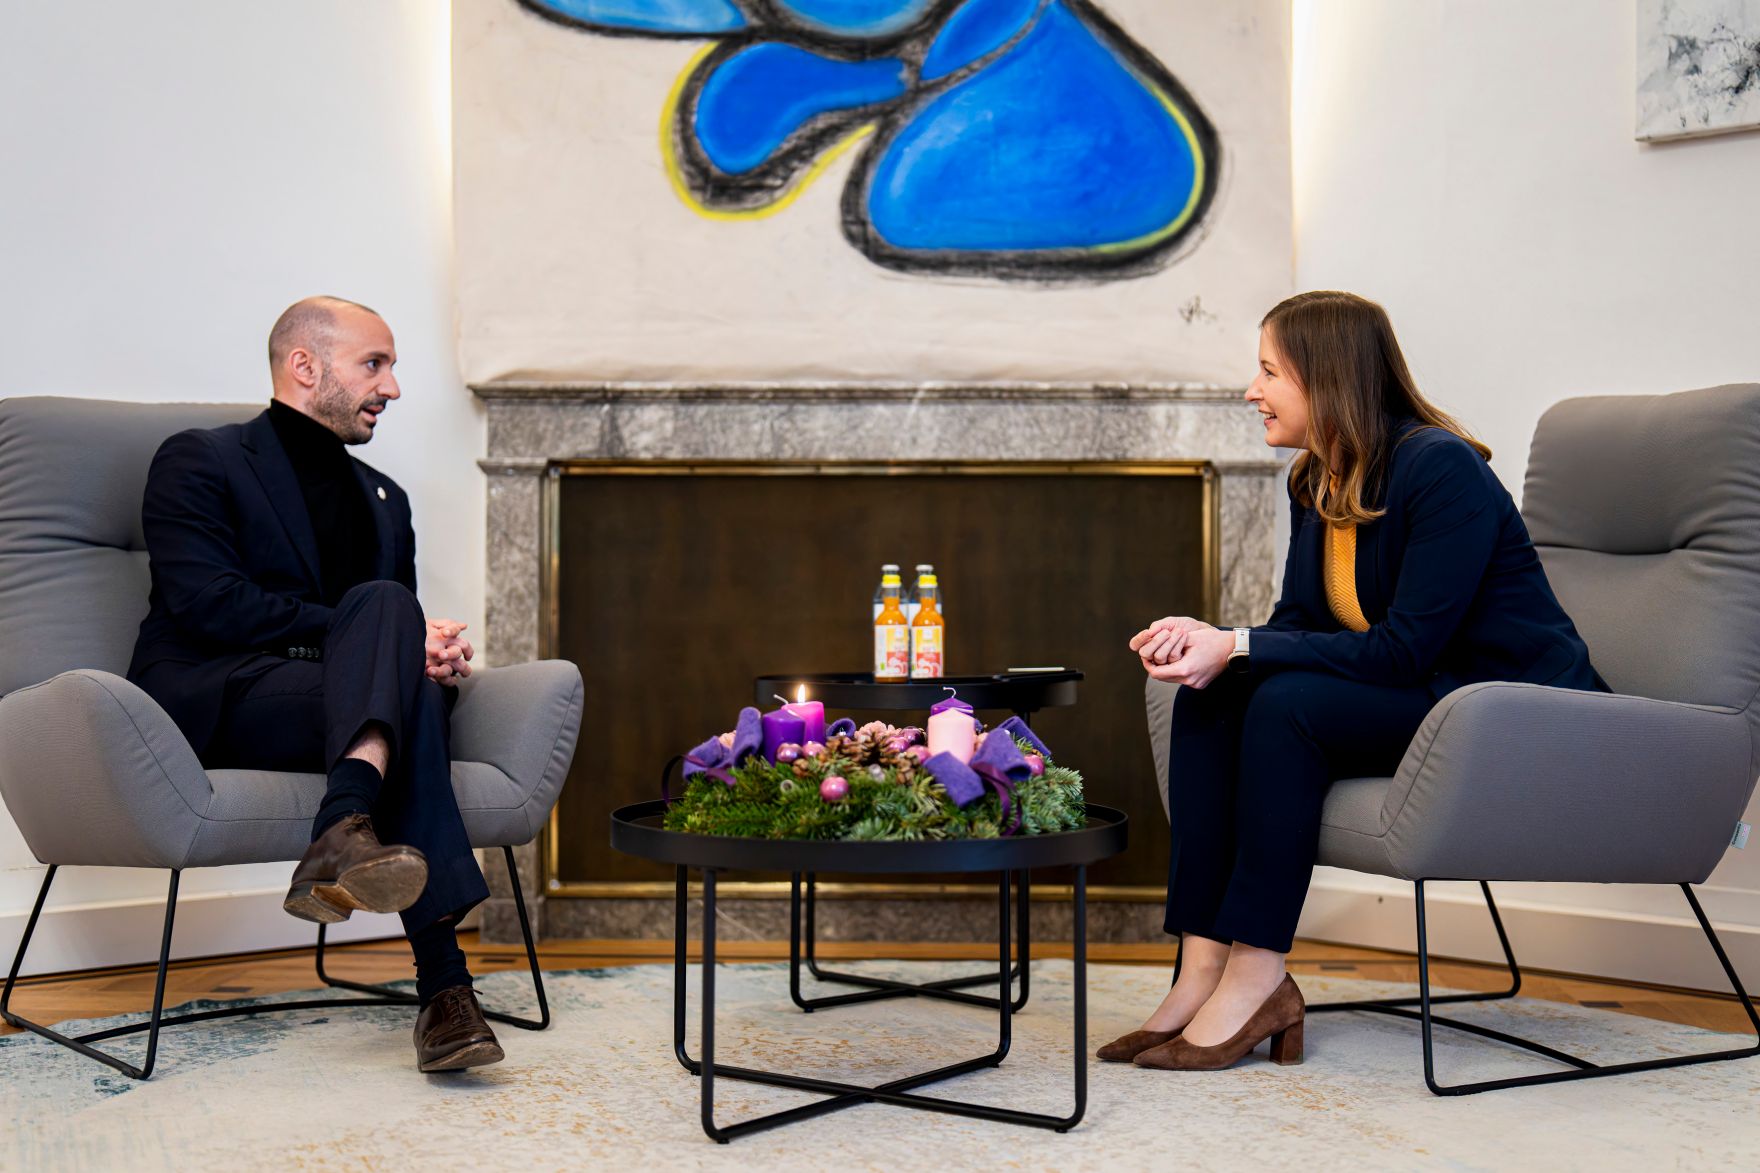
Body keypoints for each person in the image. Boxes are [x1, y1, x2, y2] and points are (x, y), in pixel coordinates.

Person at [1103, 290, 1606, 1072]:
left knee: (1286, 703)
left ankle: (1260, 972)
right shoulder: (1316, 479)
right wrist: (1214, 646)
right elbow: (1300, 623)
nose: (1252, 390)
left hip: (1507, 707)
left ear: (1327, 376)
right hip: (1427, 695)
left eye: (1269, 371)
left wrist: (1238, 642)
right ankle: (1201, 966)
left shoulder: (1440, 469)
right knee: (1215, 689)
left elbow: (1406, 650)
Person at [127, 296, 503, 1073]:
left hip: (336, 710)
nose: (392, 387)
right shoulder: (201, 458)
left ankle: (345, 828)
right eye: (375, 364)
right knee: (388, 621)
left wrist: (418, 656)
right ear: (304, 365)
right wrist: (388, 638)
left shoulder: (386, 500)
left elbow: (385, 643)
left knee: (410, 672)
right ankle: (445, 983)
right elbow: (207, 603)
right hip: (221, 691)